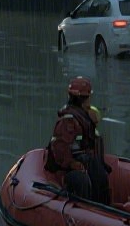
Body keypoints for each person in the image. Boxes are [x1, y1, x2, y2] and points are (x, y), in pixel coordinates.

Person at [46, 76, 111, 205]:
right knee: (82, 180)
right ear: (83, 99)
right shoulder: (68, 120)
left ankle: (103, 209)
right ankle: (85, 211)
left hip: (83, 160)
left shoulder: (84, 116)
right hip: (68, 168)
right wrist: (71, 163)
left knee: (100, 175)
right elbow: (60, 147)